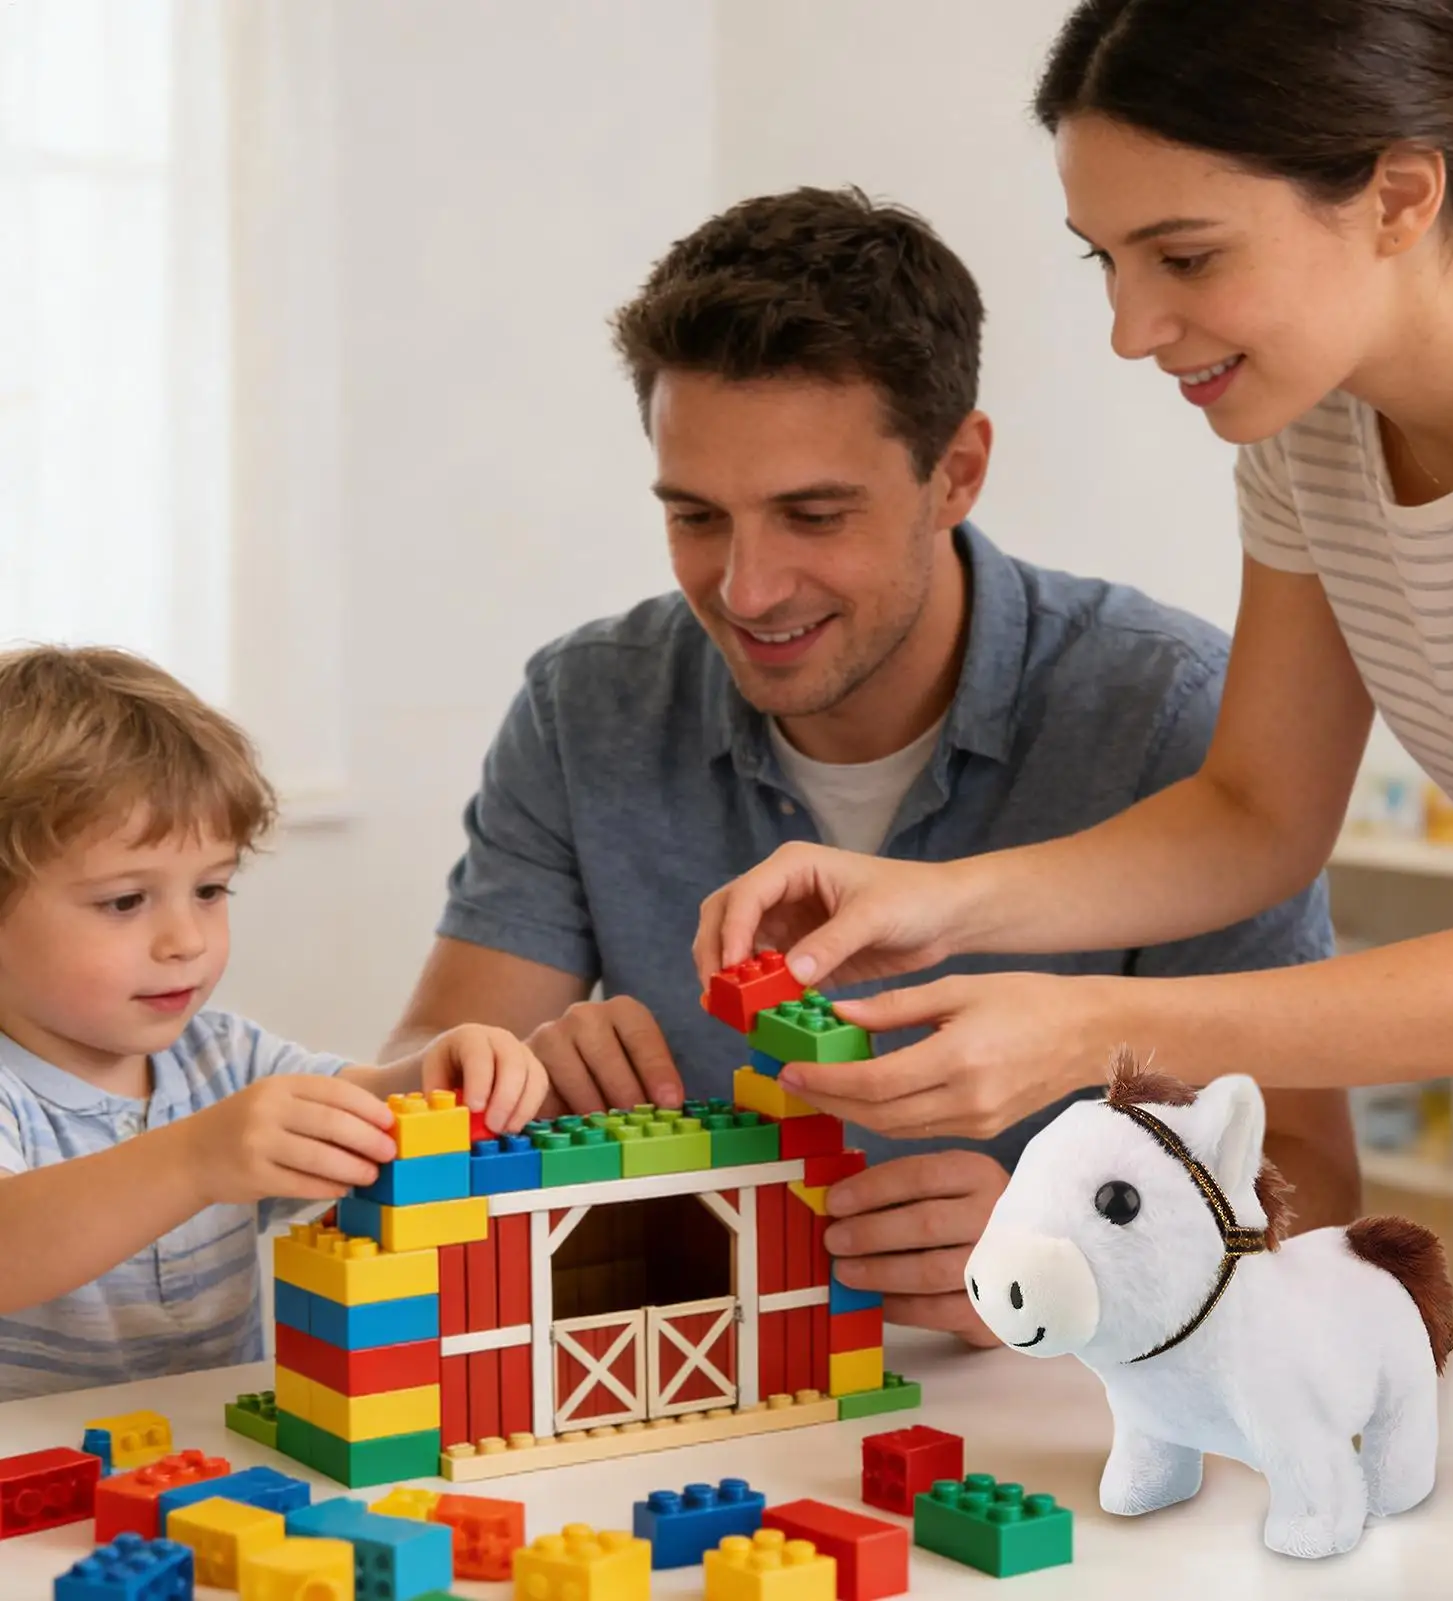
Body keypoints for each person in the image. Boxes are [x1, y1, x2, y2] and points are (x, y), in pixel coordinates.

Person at [694, 1, 1453, 1391]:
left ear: (1399, 196)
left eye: (1184, 256)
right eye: (1108, 261)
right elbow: (1256, 813)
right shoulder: (1314, 422)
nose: (1131, 329)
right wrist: (938, 900)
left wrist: (1091, 1031)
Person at [384, 186, 1358, 1349]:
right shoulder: (584, 703)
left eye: (812, 514)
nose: (745, 590)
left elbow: (1312, 1181)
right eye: (696, 516)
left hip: (1050, 1422)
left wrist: (1082, 1260)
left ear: (956, 472)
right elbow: (406, 1082)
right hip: (706, 1382)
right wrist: (496, 1085)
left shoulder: (1170, 713)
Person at [0, 646, 547, 1400]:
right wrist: (194, 1159)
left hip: (203, 1464)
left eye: (211, 889)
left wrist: (437, 1071)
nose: (185, 940)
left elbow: (361, 1106)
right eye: (125, 901)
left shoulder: (220, 1056)